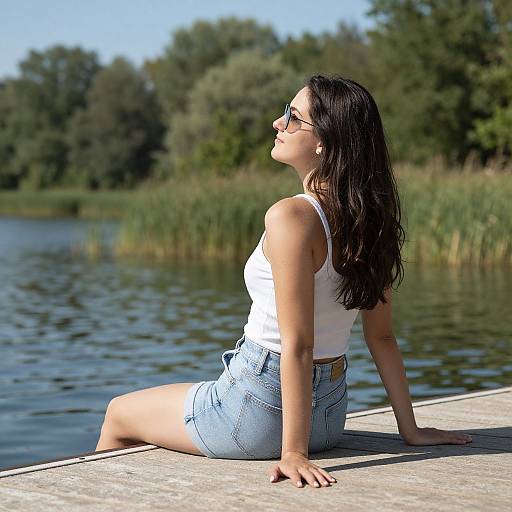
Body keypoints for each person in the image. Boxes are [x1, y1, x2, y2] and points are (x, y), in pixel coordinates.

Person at [94, 74, 473, 489]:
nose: (278, 122)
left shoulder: (291, 217)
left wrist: (293, 453)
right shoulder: (370, 221)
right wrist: (410, 430)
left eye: (293, 116)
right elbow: (381, 338)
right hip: (329, 417)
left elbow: (298, 344)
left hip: (258, 410)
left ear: (323, 141)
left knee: (118, 412)